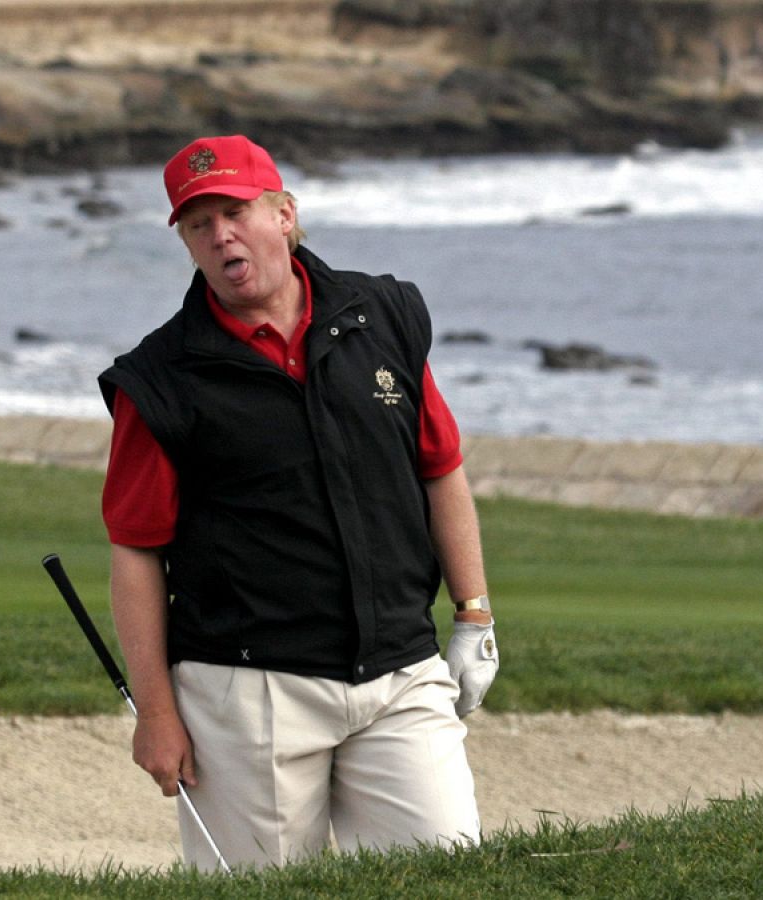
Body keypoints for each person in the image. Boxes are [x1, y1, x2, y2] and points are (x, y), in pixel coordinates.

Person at [97, 134, 499, 872]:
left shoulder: (383, 316)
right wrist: (156, 713)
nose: (221, 235)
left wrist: (474, 615)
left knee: (443, 875)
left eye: (236, 213)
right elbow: (136, 550)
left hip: (399, 674)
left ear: (284, 215)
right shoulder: (159, 380)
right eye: (199, 224)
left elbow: (440, 469)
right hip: (246, 694)